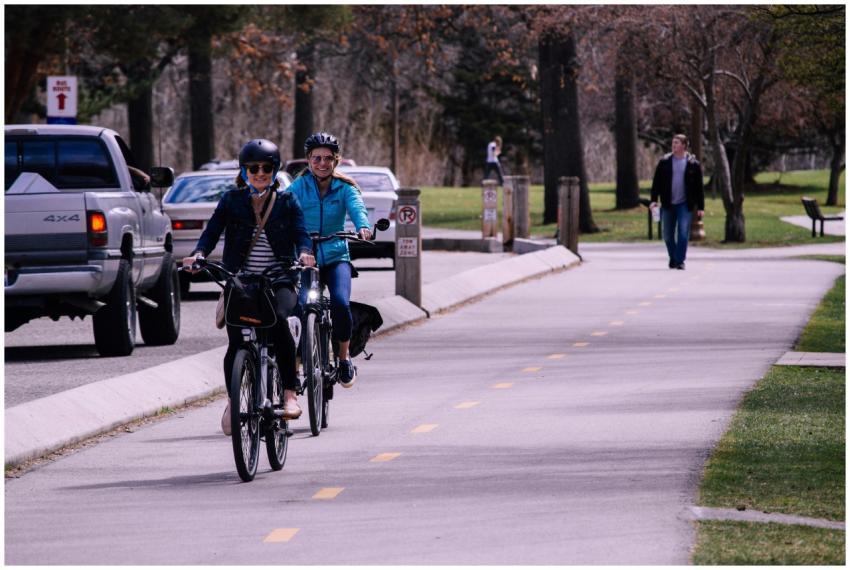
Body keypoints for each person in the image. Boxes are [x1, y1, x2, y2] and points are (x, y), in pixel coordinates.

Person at [183, 139, 316, 435]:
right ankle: (234, 398)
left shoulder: (286, 202)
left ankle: (289, 394)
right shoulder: (231, 201)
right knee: (237, 343)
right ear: (243, 171)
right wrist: (199, 255)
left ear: (274, 170)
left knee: (279, 323)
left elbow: (301, 233)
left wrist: (305, 252)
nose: (259, 173)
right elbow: (212, 231)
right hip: (240, 281)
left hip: (278, 278)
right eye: (253, 168)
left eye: (266, 168)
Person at [287, 132, 372, 388]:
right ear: (308, 160)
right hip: (306, 258)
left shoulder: (345, 188)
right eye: (316, 159)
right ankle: (300, 357)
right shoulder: (298, 187)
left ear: (336, 160)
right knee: (301, 306)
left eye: (327, 158)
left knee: (340, 304)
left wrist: (363, 227)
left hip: (336, 256)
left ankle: (344, 359)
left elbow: (358, 209)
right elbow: (283, 209)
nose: (322, 163)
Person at [650, 134, 705, 270]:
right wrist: (653, 200)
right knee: (668, 235)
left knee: (682, 232)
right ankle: (673, 257)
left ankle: (679, 260)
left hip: (685, 204)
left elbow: (699, 187)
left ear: (684, 145)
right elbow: (656, 183)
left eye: (677, 143)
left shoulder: (693, 164)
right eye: (673, 143)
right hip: (668, 203)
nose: (674, 145)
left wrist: (701, 206)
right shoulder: (665, 162)